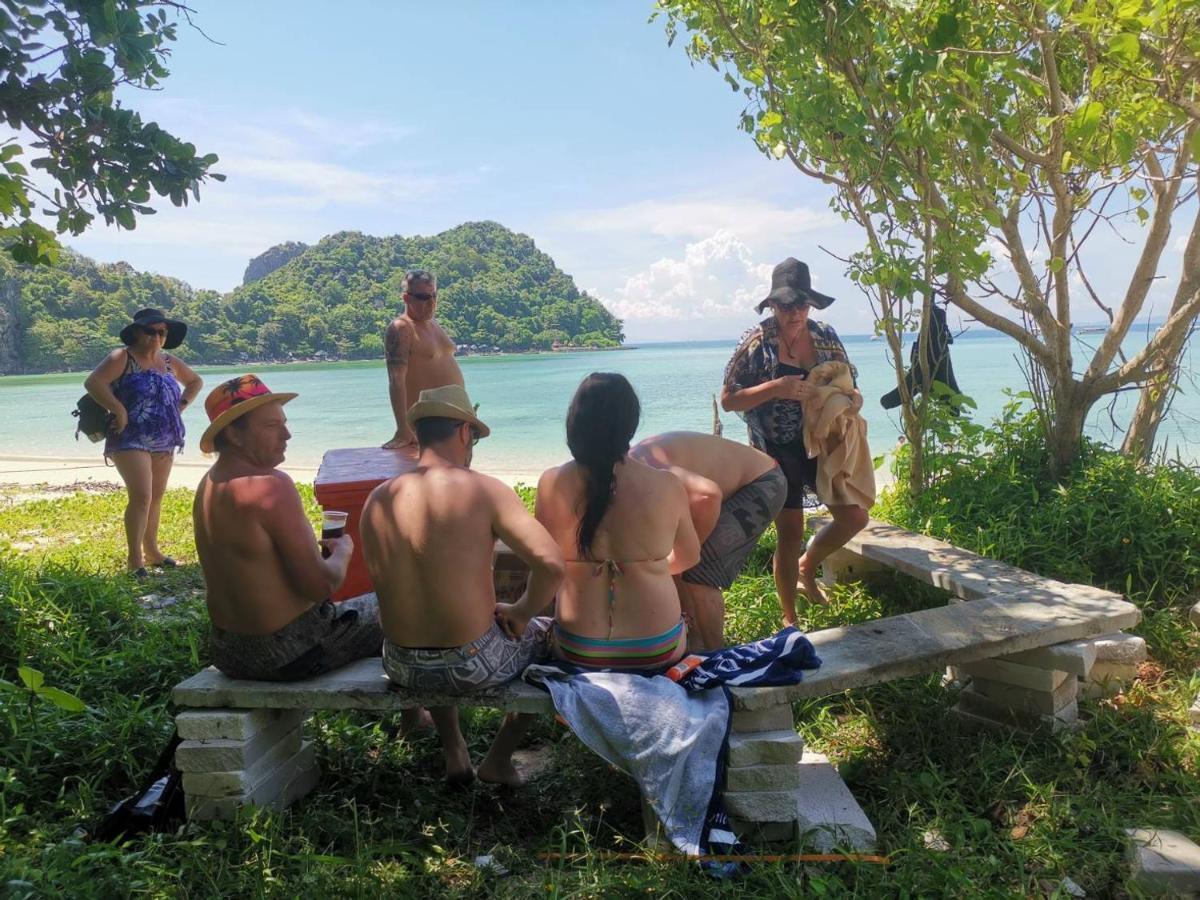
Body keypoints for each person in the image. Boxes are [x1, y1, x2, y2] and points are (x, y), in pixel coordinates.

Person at [360, 384, 564, 786]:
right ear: (464, 433)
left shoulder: (378, 498)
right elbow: (552, 565)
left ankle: (454, 748)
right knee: (556, 634)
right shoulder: (482, 489)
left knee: (434, 614)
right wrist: (522, 614)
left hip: (399, 664)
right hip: (471, 664)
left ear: (418, 435)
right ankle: (500, 758)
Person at [193, 375, 386, 684]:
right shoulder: (270, 486)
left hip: (228, 652)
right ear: (233, 435)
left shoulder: (209, 485)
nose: (287, 435)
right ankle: (414, 716)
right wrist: (343, 553)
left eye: (284, 423)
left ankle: (413, 715)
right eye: (272, 427)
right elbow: (321, 586)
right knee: (396, 601)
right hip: (288, 652)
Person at [721, 258, 870, 624]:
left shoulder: (824, 336)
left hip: (819, 442)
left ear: (810, 304)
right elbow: (728, 399)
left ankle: (808, 567)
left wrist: (853, 398)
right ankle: (790, 620)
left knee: (855, 517)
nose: (795, 313)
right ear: (772, 305)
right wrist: (776, 388)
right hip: (773, 448)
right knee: (790, 531)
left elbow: (846, 378)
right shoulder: (757, 342)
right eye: (786, 305)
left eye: (801, 304)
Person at [536, 373, 701, 670]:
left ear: (576, 421)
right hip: (657, 646)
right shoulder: (666, 485)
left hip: (578, 647)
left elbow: (544, 563)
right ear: (630, 422)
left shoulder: (551, 483)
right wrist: (647, 568)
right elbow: (690, 555)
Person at [630, 431, 786, 651]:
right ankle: (693, 644)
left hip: (764, 482)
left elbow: (708, 496)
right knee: (676, 562)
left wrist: (692, 551)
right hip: (726, 488)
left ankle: (716, 658)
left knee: (698, 571)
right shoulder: (627, 482)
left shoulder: (646, 470)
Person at [84, 308, 202, 577]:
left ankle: (152, 551)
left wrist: (179, 407)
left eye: (162, 332)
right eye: (151, 331)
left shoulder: (170, 362)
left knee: (157, 496)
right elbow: (94, 383)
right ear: (137, 331)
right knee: (142, 496)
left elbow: (195, 382)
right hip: (128, 435)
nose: (157, 337)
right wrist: (119, 410)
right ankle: (134, 560)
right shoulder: (122, 357)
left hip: (165, 436)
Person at [382, 270, 464, 451]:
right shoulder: (401, 328)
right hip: (429, 428)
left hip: (455, 426)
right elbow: (396, 380)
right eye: (423, 297)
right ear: (406, 298)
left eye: (434, 296)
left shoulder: (432, 324)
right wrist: (403, 429)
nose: (431, 303)